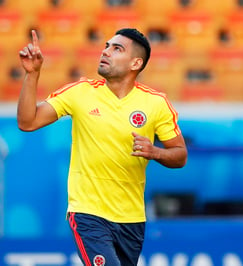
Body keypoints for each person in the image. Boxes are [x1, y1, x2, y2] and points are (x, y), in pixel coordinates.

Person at [18, 28, 188, 266]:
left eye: (117, 49)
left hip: (132, 218)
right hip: (88, 213)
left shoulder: (156, 103)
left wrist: (154, 152)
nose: (105, 52)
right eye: (106, 46)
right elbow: (28, 122)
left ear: (135, 63)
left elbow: (180, 156)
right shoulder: (80, 92)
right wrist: (32, 74)